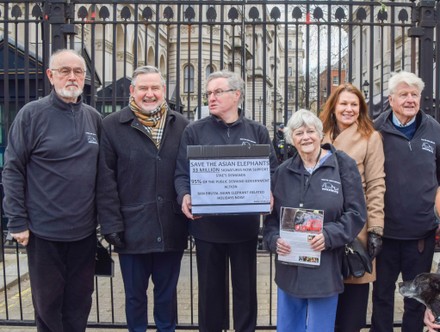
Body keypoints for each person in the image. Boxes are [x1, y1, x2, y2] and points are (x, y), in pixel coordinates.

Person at [2, 49, 101, 332]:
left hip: (83, 232)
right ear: (50, 75)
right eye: (64, 71)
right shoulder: (31, 115)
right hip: (43, 232)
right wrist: (17, 221)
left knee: (80, 302)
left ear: (84, 77)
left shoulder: (93, 118)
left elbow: (103, 174)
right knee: (47, 306)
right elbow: (13, 169)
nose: (72, 77)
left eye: (78, 71)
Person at [174, 70, 278, 332]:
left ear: (237, 95)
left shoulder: (257, 131)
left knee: (245, 292)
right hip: (206, 227)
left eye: (218, 92)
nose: (211, 98)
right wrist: (184, 195)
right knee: (210, 293)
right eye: (209, 93)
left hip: (244, 228)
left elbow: (273, 171)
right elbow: (181, 173)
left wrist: (269, 191)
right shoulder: (194, 131)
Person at [97, 65, 189, 332]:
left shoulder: (182, 125)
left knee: (166, 298)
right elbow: (105, 180)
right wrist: (111, 224)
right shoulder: (112, 125)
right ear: (132, 91)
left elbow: (191, 173)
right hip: (131, 229)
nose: (150, 94)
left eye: (155, 88)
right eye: (144, 88)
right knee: (135, 298)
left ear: (164, 91)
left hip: (171, 227)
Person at [263, 109, 367, 332]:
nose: (306, 137)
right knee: (289, 328)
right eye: (299, 133)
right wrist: (274, 241)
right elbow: (271, 220)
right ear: (292, 139)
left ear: (321, 135)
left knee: (320, 328)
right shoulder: (282, 172)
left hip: (325, 268)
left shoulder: (342, 165)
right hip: (290, 268)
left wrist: (329, 235)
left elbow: (356, 213)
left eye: (310, 131)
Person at [371, 71, 440, 332]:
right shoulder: (376, 130)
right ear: (391, 99)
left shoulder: (434, 129)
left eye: (414, 94)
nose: (410, 99)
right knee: (382, 296)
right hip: (385, 234)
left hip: (421, 235)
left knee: (417, 300)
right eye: (404, 94)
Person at [319, 83, 385, 332]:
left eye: (354, 105)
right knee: (325, 303)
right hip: (323, 227)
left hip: (356, 228)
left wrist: (376, 229)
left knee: (352, 308)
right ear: (334, 106)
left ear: (361, 109)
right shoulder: (319, 133)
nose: (348, 109)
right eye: (344, 103)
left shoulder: (371, 137)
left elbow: (377, 185)